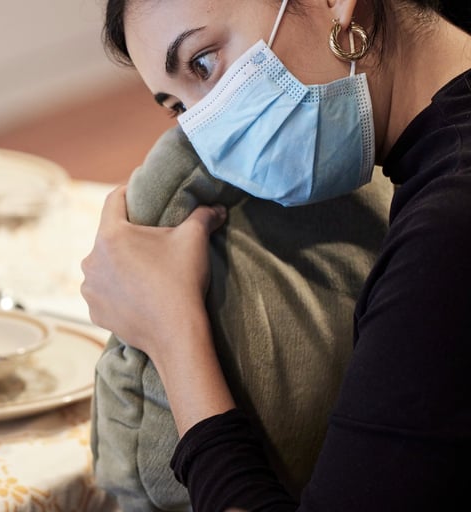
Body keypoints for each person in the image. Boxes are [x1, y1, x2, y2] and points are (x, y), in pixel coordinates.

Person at [80, 0, 471, 510]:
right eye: (178, 107)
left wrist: (172, 334)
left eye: (203, 63)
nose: (205, 132)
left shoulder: (448, 235)